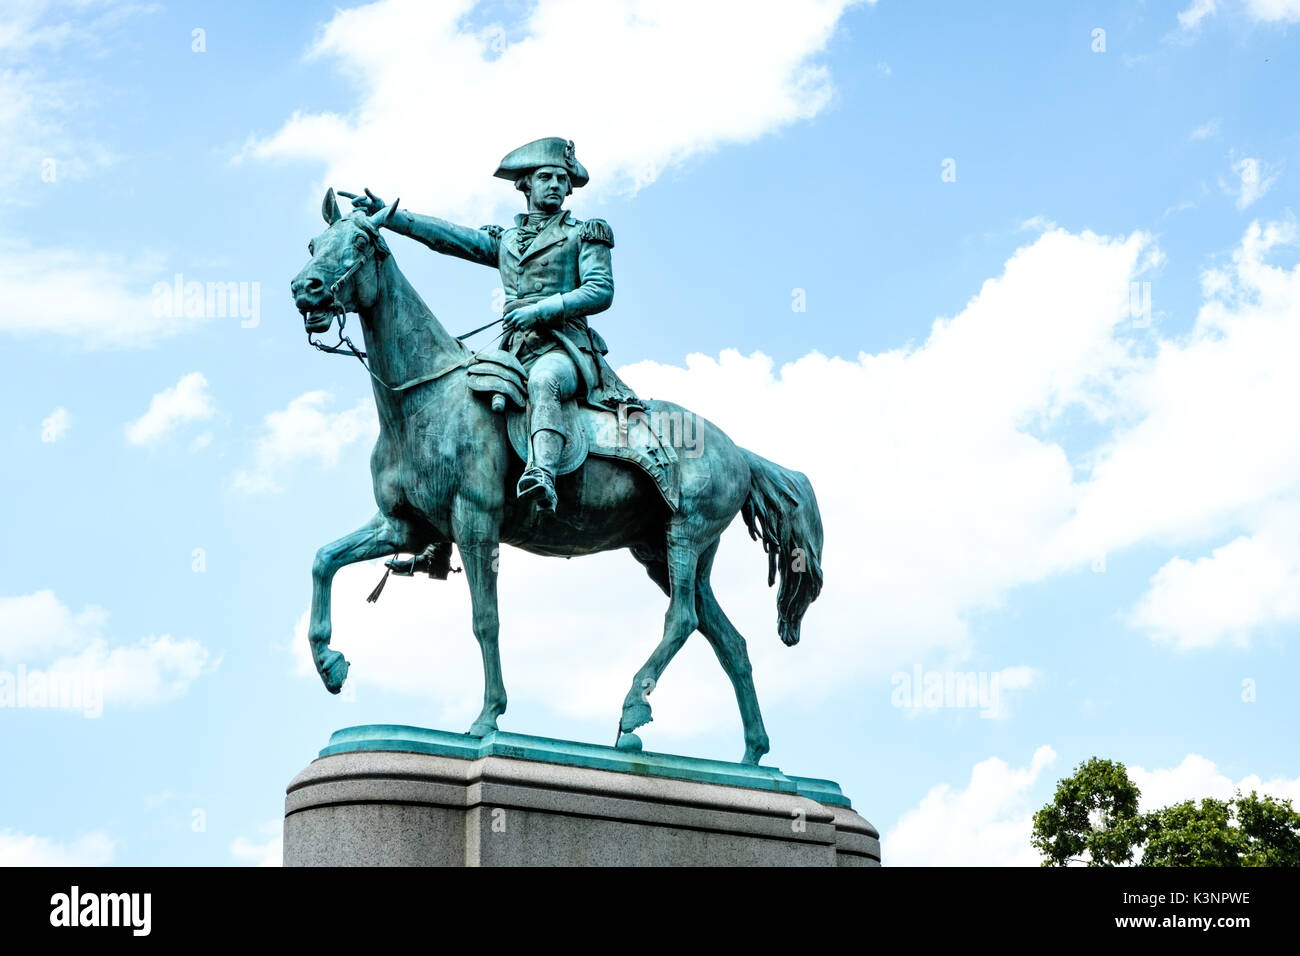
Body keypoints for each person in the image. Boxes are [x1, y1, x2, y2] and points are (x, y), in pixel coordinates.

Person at [343, 137, 638, 513]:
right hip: (513, 353)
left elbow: (600, 291)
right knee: (456, 409)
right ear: (525, 184)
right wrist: (392, 217)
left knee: (543, 382)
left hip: (564, 348)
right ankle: (435, 517)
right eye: (546, 177)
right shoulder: (507, 240)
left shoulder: (585, 233)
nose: (556, 185)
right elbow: (450, 239)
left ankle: (542, 474)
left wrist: (541, 311)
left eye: (563, 180)